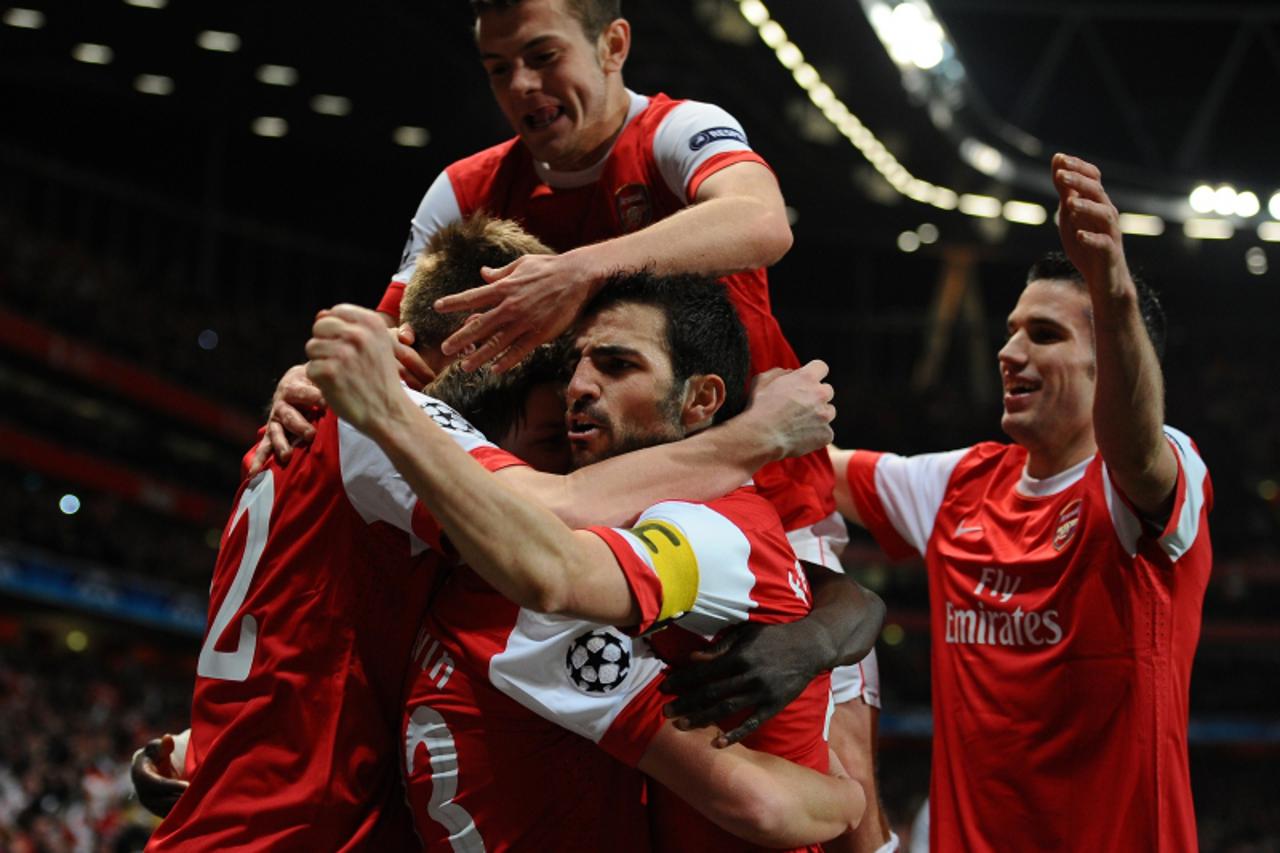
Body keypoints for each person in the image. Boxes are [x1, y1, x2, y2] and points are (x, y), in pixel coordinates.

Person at [255, 0, 891, 844]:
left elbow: (764, 220)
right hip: (582, 498)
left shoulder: (677, 133)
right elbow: (402, 353)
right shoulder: (464, 189)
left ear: (614, 44)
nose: (523, 86)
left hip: (752, 497)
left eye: (542, 55)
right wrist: (311, 376)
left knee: (836, 794)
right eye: (498, 68)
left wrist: (578, 274)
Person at [139, 217, 862, 850]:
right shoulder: (391, 432)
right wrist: (754, 436)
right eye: (551, 426)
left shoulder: (364, 439)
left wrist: (835, 633)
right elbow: (557, 518)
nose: (578, 394)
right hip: (290, 831)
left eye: (610, 366)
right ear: (478, 345)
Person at [306, 270, 883, 851]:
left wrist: (386, 409)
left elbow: (561, 573)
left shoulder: (704, 530)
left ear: (702, 399)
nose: (578, 386)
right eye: (576, 366)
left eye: (616, 365)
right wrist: (847, 794)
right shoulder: (660, 533)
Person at [815, 154, 1209, 849]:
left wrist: (1112, 288)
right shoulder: (958, 485)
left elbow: (1139, 451)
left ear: (1110, 359)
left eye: (1045, 334)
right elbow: (815, 469)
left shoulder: (1147, 485)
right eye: (1013, 329)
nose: (1009, 350)